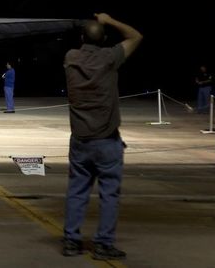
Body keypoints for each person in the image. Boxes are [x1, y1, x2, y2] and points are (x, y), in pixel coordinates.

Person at [62, 13, 142, 260]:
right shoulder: (110, 58)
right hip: (107, 140)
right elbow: (136, 36)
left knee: (77, 192)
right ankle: (103, 244)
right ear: (104, 38)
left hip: (80, 139)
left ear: (82, 37)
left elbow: (84, 42)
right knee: (109, 195)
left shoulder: (71, 58)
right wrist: (109, 20)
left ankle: (71, 242)